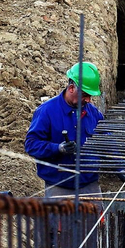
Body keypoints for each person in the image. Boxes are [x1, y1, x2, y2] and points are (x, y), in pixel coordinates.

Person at [25, 62, 105, 197]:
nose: (89, 100)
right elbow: (31, 145)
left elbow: (107, 141)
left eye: (90, 96)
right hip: (59, 187)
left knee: (95, 218)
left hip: (89, 185)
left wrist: (121, 168)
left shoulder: (94, 114)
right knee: (59, 219)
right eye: (85, 95)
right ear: (72, 88)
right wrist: (58, 148)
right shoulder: (47, 111)